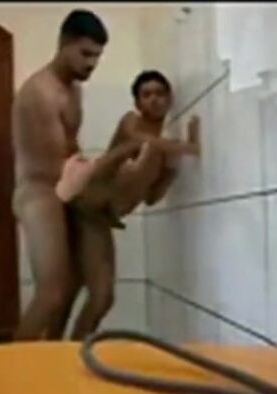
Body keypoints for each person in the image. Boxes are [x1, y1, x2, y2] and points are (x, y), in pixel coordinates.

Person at [11, 9, 144, 341]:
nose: (91, 64)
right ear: (63, 43)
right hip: (40, 191)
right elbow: (52, 166)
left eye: (97, 56)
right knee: (52, 292)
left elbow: (70, 152)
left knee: (85, 289)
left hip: (68, 185)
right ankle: (12, 366)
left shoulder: (73, 89)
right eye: (85, 54)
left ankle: (56, 359)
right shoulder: (39, 93)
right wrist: (110, 171)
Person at [50, 70, 201, 340]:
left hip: (99, 216)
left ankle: (60, 351)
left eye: (160, 93)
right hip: (86, 209)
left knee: (84, 291)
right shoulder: (132, 123)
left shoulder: (162, 152)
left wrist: (171, 172)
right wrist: (185, 146)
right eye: (146, 94)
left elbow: (151, 198)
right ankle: (67, 353)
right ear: (137, 103)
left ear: (169, 99)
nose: (154, 99)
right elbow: (140, 140)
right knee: (99, 295)